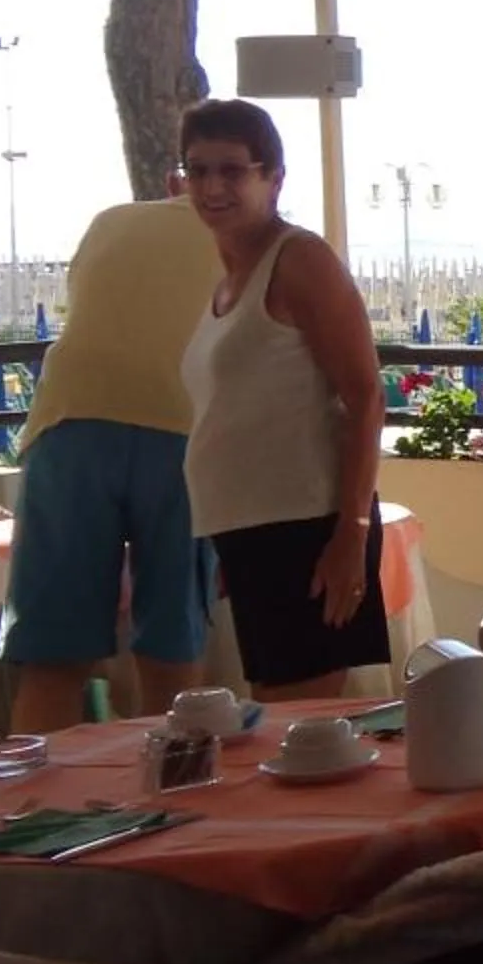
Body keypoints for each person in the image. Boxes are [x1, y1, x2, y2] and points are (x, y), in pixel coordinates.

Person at [178, 98, 391, 699]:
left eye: (232, 170)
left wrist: (350, 534)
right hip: (254, 532)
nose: (212, 187)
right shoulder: (229, 280)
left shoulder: (299, 260)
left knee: (300, 727)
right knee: (279, 722)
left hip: (308, 529)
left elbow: (366, 396)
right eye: (198, 170)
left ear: (273, 178)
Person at [0, 193, 225, 731]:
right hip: (181, 431)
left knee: (54, 662)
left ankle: (42, 785)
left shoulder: (110, 221)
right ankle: (170, 782)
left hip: (69, 423)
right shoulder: (245, 235)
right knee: (171, 656)